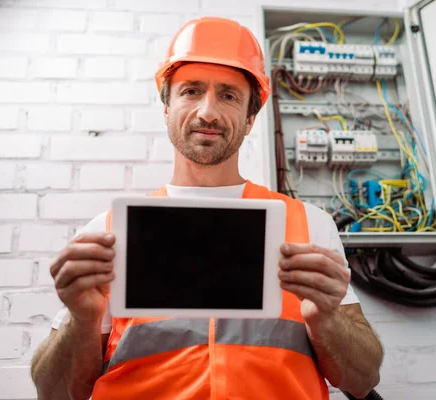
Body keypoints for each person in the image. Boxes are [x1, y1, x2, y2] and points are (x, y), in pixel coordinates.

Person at [30, 16, 383, 400]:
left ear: (250, 118)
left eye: (228, 95)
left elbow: (363, 380)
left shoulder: (308, 226)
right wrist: (82, 320)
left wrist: (327, 318)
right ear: (166, 106)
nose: (207, 112)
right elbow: (54, 393)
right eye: (191, 91)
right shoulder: (110, 231)